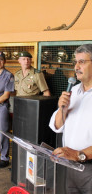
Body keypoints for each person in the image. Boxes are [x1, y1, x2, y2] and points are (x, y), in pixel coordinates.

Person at [49, 44, 92, 193]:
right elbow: (56, 125)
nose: (76, 67)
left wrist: (79, 155)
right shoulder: (73, 90)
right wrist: (63, 110)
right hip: (70, 165)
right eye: (75, 62)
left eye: (82, 61)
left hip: (89, 168)